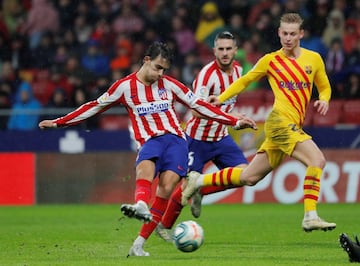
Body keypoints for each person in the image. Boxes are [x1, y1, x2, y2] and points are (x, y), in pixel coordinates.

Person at [38, 42, 257, 256]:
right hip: (150, 141)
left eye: (164, 69)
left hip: (176, 141)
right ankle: (141, 204)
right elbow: (94, 106)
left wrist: (233, 121)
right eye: (157, 68)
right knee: (145, 169)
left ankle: (138, 245)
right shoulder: (124, 87)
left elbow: (200, 106)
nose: (161, 74)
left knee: (167, 186)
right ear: (146, 60)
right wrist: (60, 122)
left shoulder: (171, 85)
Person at [181, 13, 337, 233]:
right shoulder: (270, 60)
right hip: (279, 122)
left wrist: (324, 99)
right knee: (317, 160)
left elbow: (324, 86)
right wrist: (222, 97)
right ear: (279, 33)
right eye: (284, 33)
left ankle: (198, 181)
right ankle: (310, 216)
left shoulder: (314, 59)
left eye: (293, 34)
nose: (288, 38)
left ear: (301, 34)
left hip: (293, 125)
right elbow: (246, 79)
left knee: (249, 177)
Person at [155, 31, 251, 242]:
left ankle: (202, 189)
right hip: (197, 139)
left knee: (245, 175)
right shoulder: (207, 76)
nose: (225, 53)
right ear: (214, 50)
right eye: (221, 49)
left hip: (221, 138)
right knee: (183, 190)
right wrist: (230, 117)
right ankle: (163, 226)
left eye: (229, 49)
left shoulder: (239, 71)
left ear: (236, 50)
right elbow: (196, 110)